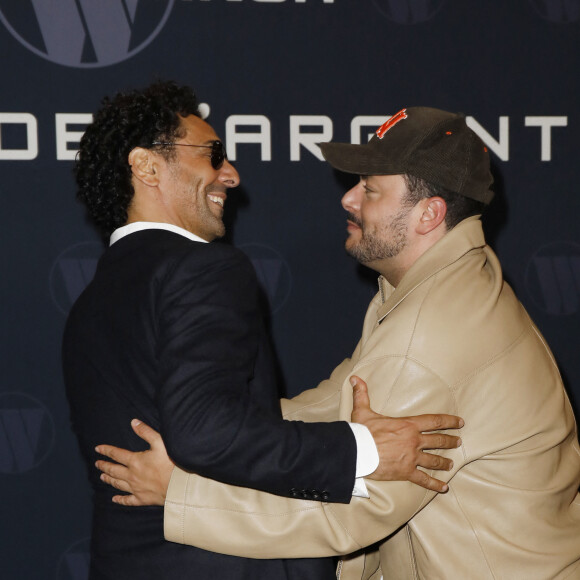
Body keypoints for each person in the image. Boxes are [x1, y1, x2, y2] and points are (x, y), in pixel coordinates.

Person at [96, 106, 580, 579]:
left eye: (370, 189)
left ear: (429, 215)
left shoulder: (431, 334)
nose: (348, 199)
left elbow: (351, 511)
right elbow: (338, 400)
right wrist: (212, 427)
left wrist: (180, 491)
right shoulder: (440, 290)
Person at [62, 83, 463, 580]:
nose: (230, 174)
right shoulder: (204, 269)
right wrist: (364, 449)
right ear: (146, 167)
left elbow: (203, 424)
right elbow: (205, 432)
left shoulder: (89, 303)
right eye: (212, 155)